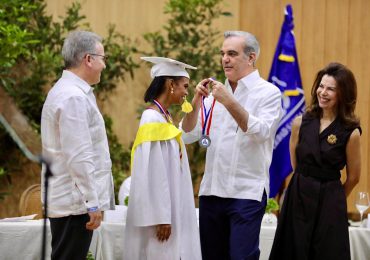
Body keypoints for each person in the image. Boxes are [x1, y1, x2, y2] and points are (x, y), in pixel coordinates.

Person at [181, 31, 282, 259]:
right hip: (211, 191)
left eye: (232, 54)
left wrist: (229, 101)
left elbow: (261, 132)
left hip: (246, 193)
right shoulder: (212, 95)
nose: (225, 59)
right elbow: (187, 134)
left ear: (251, 57)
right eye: (223, 53)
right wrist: (196, 103)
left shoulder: (269, 93)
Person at [269, 62, 361, 260]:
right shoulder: (300, 122)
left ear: (343, 94)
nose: (323, 92)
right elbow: (295, 162)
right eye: (321, 86)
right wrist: (304, 184)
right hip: (298, 195)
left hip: (330, 200)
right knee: (292, 249)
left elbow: (354, 177)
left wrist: (334, 199)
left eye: (330, 89)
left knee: (327, 251)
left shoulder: (350, 131)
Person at [41, 30, 114, 259]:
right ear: (88, 59)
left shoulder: (70, 92)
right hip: (75, 203)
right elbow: (79, 155)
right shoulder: (73, 97)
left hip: (72, 200)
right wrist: (92, 202)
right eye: (103, 58)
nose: (104, 65)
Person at [123, 57, 202, 260]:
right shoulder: (152, 119)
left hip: (169, 210)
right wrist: (162, 217)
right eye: (185, 86)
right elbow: (153, 173)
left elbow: (186, 132)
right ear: (170, 84)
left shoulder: (164, 117)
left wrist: (197, 101)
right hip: (160, 218)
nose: (186, 92)